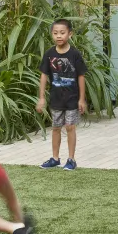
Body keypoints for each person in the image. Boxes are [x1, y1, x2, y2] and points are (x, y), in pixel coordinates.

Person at [36, 18, 87, 171]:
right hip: (56, 98)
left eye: (62, 33)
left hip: (72, 99)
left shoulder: (75, 54)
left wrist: (81, 99)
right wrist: (41, 97)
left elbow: (81, 76)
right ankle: (55, 158)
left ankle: (71, 159)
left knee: (70, 127)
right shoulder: (49, 54)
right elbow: (44, 76)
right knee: (56, 127)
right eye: (55, 33)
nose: (59, 36)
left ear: (70, 34)